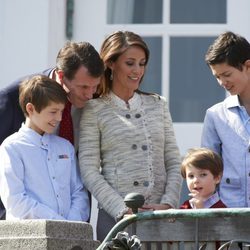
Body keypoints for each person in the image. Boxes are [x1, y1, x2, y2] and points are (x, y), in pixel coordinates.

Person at [78, 30, 182, 241]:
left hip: (160, 219)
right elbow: (89, 169)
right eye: (130, 63)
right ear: (111, 63)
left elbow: (173, 161)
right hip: (116, 221)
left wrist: (169, 203)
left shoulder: (158, 104)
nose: (137, 70)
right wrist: (121, 210)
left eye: (142, 63)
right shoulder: (94, 109)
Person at [0, 41, 104, 219]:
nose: (90, 95)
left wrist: (71, 223)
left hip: (74, 221)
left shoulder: (95, 98)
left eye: (94, 87)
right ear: (62, 76)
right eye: (84, 87)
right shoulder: (11, 99)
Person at [0, 75, 90, 221]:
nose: (59, 118)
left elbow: (79, 192)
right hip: (29, 238)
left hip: (70, 236)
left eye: (61, 111)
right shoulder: (11, 148)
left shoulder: (65, 147)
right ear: (31, 109)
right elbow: (15, 200)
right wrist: (57, 223)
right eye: (53, 112)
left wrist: (71, 224)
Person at [201, 31, 250, 208]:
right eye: (217, 76)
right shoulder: (215, 115)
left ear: (248, 66)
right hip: (229, 217)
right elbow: (205, 169)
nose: (222, 82)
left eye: (227, 74)